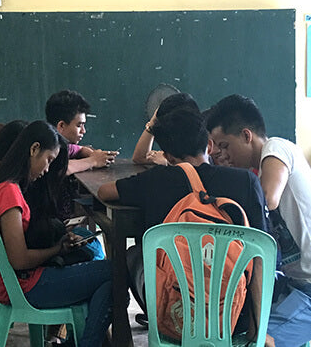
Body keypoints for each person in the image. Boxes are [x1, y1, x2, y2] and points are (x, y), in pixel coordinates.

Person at [206, 94, 311, 347]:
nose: (220, 156)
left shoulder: (277, 148)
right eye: (215, 150)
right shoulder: (253, 172)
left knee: (253, 344)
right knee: (231, 330)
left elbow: (268, 199)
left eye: (224, 146)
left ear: (246, 135)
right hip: (298, 286)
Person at [97, 107, 269, 329]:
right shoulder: (246, 181)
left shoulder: (155, 180)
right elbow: (261, 253)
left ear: (168, 156)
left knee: (133, 255)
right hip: (236, 315)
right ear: (209, 144)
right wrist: (258, 328)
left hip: (176, 315)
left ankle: (156, 324)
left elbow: (104, 192)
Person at [0, 120, 113, 347]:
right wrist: (57, 249)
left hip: (20, 280)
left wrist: (59, 242)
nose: (48, 169)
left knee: (109, 282)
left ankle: (82, 343)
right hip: (23, 286)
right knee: (115, 273)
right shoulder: (9, 193)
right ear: (33, 150)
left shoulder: (6, 184)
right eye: (49, 160)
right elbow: (19, 259)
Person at [44, 90, 118, 174]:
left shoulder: (61, 145)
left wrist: (94, 154)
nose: (84, 131)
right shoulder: (45, 146)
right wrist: (93, 160)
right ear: (61, 126)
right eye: (79, 125)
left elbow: (79, 149)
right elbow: (60, 169)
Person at [131, 92, 200, 166]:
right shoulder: (177, 148)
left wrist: (166, 163)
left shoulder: (200, 147)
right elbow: (139, 158)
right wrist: (153, 121)